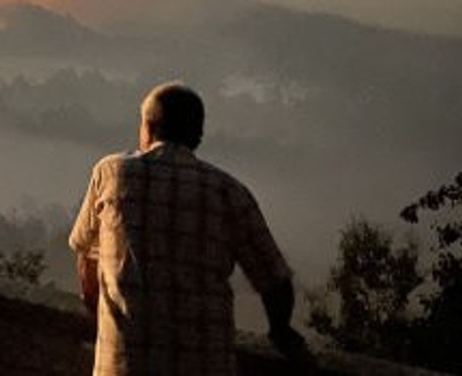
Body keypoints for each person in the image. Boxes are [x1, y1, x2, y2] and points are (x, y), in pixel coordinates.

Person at [69, 82, 312, 375]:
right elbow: (275, 281)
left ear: (147, 127)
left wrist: (106, 315)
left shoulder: (111, 174)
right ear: (197, 136)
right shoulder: (229, 192)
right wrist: (280, 330)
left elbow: (87, 259)